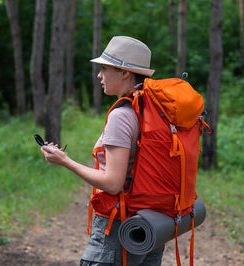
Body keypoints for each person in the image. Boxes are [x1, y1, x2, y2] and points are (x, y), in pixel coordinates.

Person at [40, 36, 164, 265]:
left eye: (105, 68)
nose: (99, 75)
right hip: (153, 225)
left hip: (118, 228)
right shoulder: (157, 109)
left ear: (125, 72)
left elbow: (113, 183)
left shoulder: (122, 115)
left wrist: (66, 161)